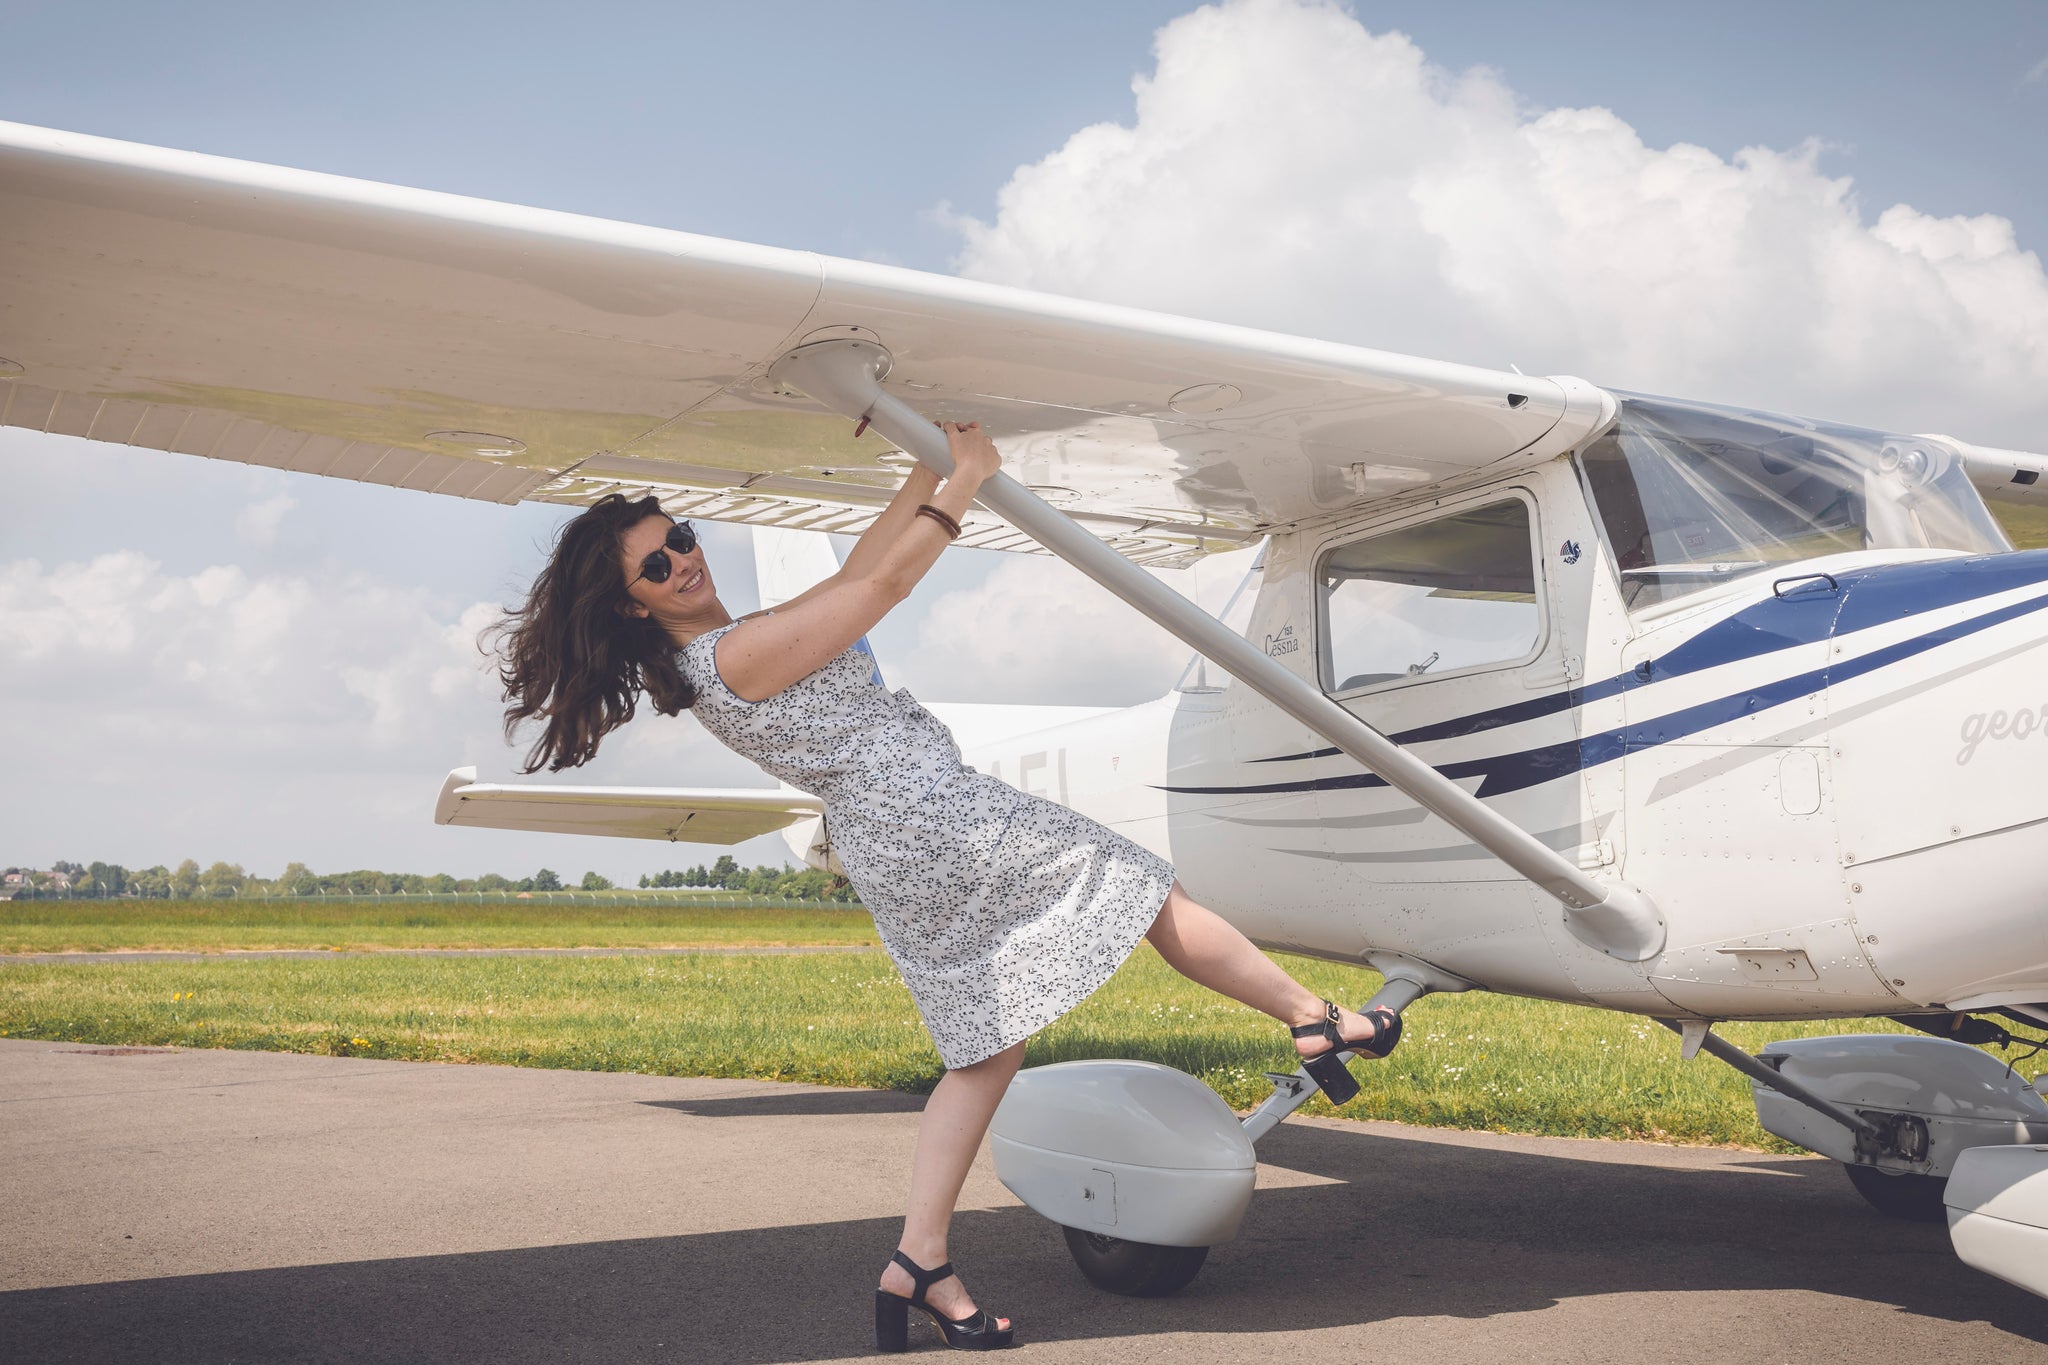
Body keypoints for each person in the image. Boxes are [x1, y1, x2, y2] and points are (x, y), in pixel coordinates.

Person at [493, 422, 1399, 1352]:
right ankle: (1311, 1015)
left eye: (680, 535)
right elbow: (882, 587)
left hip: (905, 827)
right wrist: (963, 480)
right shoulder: (733, 659)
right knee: (1140, 888)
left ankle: (919, 1260)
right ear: (635, 605)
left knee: (985, 1048)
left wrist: (927, 458)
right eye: (656, 566)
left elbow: (859, 571)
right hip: (929, 817)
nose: (684, 558)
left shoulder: (727, 644)